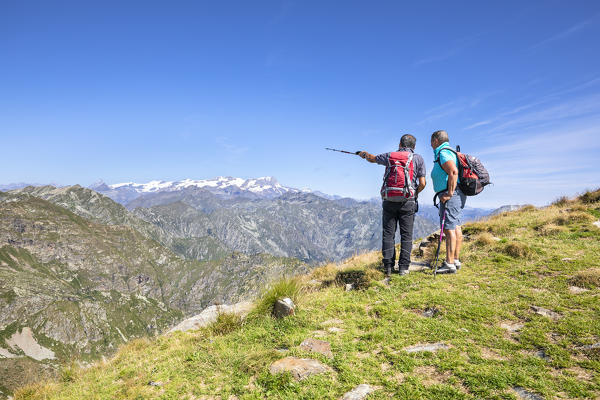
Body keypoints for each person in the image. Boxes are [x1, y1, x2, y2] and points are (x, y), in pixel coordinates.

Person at [358, 134, 426, 276]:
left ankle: (388, 267)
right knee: (406, 235)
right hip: (408, 201)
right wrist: (415, 193)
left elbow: (372, 158)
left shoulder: (390, 155)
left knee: (388, 234)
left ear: (400, 144)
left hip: (389, 200)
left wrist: (363, 154)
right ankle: (403, 268)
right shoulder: (418, 159)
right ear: (413, 146)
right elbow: (423, 183)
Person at [430, 130, 466, 274]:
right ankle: (455, 260)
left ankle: (449, 263)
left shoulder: (443, 152)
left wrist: (449, 193)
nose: (431, 144)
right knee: (456, 226)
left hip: (452, 194)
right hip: (458, 193)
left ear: (436, 141)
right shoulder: (450, 151)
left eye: (431, 141)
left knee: (449, 228)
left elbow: (453, 172)